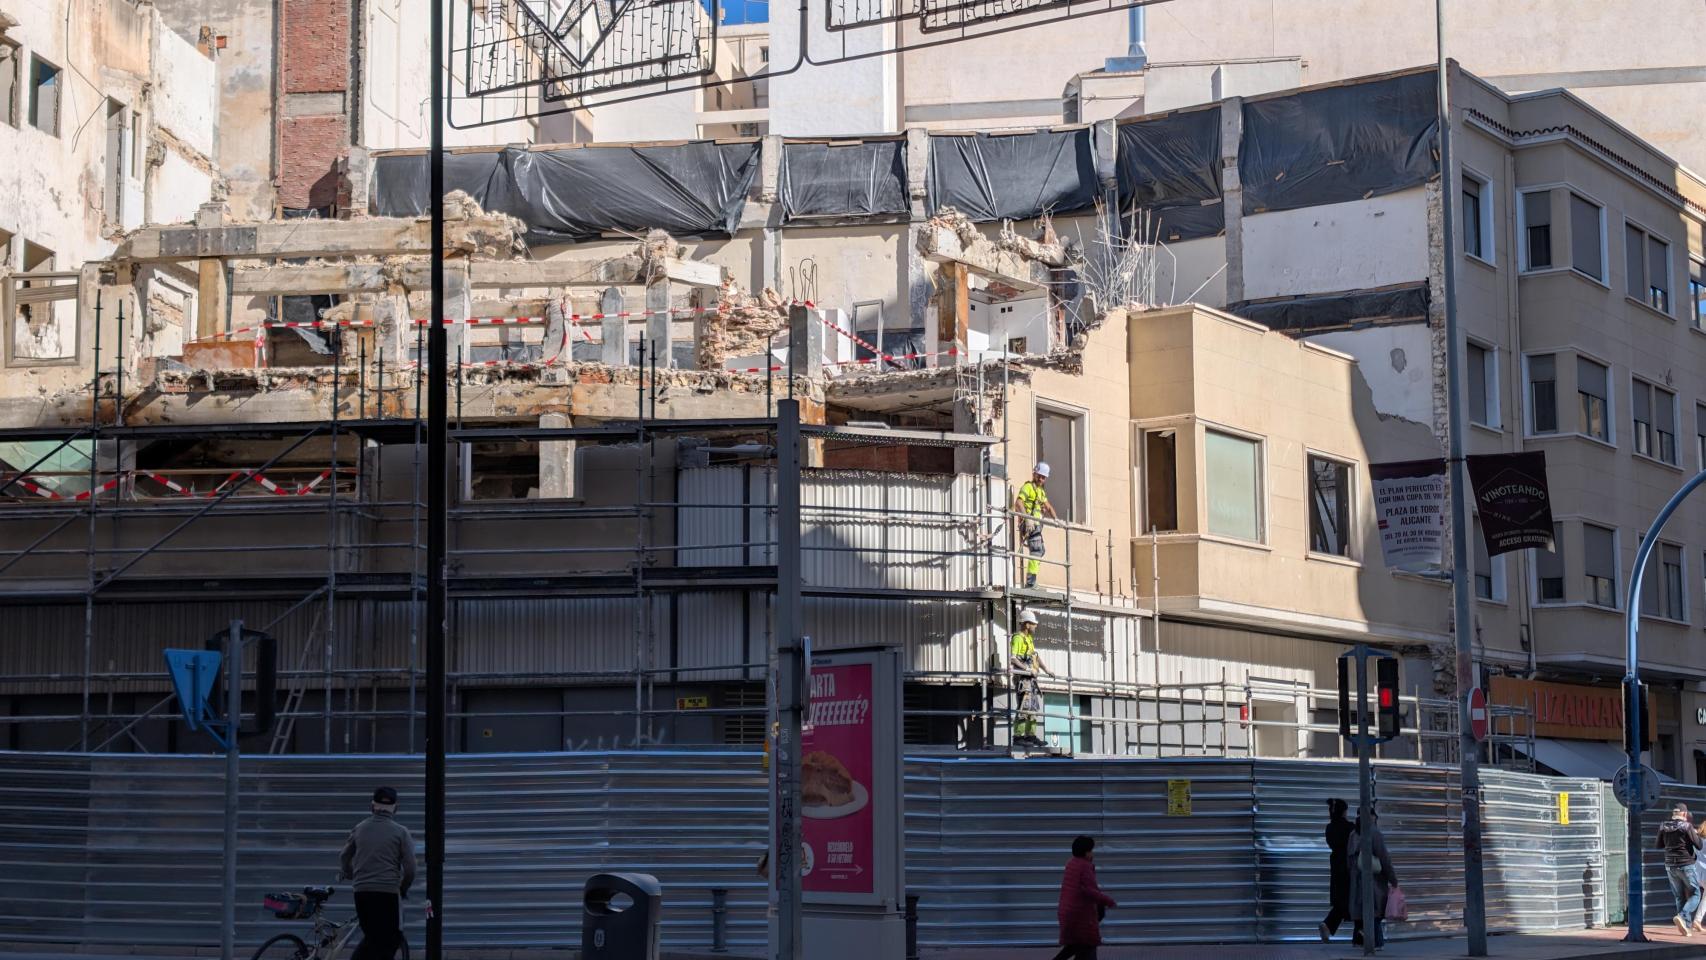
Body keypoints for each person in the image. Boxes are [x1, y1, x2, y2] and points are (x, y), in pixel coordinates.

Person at [339, 786, 418, 960]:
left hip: (362, 892)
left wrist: (351, 875)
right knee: (392, 937)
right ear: (395, 808)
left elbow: (344, 856)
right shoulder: (401, 832)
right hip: (388, 893)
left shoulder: (359, 828)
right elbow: (411, 869)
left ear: (372, 806)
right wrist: (403, 888)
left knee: (372, 936)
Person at [1051, 835, 1116, 959]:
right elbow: (1090, 890)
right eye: (1091, 851)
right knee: (1085, 945)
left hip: (1068, 912)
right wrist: (1108, 901)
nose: (1092, 853)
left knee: (1078, 946)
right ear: (1086, 852)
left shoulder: (1071, 863)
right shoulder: (1084, 866)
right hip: (1080, 916)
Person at [1348, 808, 1397, 948]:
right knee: (1374, 911)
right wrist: (1393, 879)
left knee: (1360, 910)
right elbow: (1384, 858)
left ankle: (1358, 940)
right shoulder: (1374, 833)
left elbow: (1349, 860)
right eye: (1374, 815)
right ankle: (1376, 942)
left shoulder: (1353, 834)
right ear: (1371, 817)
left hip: (1356, 880)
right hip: (1374, 880)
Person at [1010, 609, 1055, 748]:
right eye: (1033, 624)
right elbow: (1013, 658)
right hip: (1023, 679)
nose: (1035, 626)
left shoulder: (1029, 639)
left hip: (1031, 680)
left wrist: (1046, 669)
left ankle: (1031, 735)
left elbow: (1035, 656)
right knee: (1024, 707)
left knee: (1033, 708)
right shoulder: (1018, 638)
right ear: (1027, 624)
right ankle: (1018, 737)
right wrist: (1028, 669)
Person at [1656, 802, 1702, 935]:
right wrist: (1694, 834)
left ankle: (1685, 927)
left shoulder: (1663, 826)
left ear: (1674, 813)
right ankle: (1682, 916)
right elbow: (1699, 845)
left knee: (1679, 896)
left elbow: (1658, 845)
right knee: (1696, 894)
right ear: (1685, 813)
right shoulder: (1687, 826)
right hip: (1686, 864)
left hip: (1670, 866)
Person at [1014, 462, 1058, 589]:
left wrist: (1056, 520)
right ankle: (1030, 582)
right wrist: (1027, 519)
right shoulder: (1028, 487)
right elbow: (1018, 502)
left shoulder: (1040, 491)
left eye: (1043, 477)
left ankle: (1032, 579)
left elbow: (1048, 506)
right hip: (1029, 525)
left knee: (1041, 551)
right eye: (1039, 476)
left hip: (1036, 526)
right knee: (1037, 550)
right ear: (1034, 474)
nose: (1041, 479)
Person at [1318, 798, 1355, 942]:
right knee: (1352, 898)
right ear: (1343, 811)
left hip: (1335, 864)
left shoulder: (1329, 828)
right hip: (1349, 866)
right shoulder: (1350, 827)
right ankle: (1329, 924)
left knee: (1342, 899)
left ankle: (1328, 925)